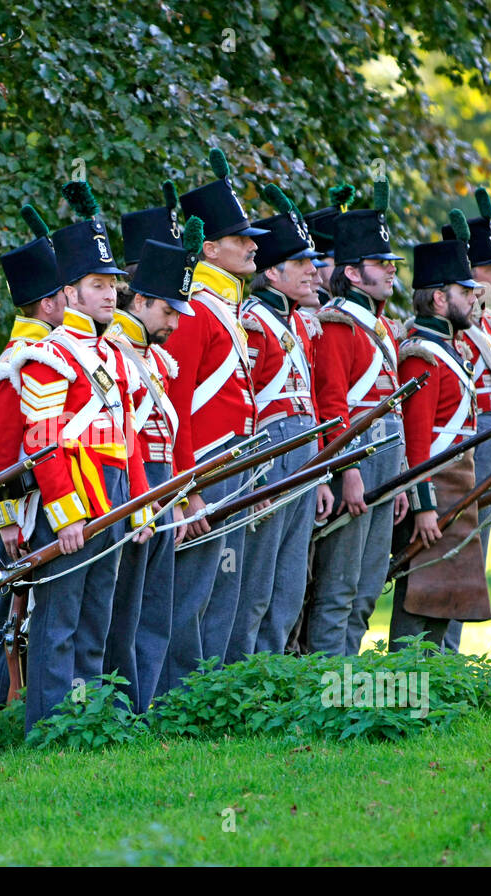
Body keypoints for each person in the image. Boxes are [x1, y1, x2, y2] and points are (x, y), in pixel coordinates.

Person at [9, 179, 153, 731]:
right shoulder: (46, 354)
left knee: (96, 618)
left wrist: (140, 506)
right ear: (68, 293)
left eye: (113, 283)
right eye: (97, 284)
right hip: (70, 496)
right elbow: (42, 442)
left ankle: (86, 719)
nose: (110, 294)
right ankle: (49, 726)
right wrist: (65, 514)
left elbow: (127, 440)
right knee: (60, 622)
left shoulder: (115, 355)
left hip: (113, 492)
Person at [158, 148, 266, 690]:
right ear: (208, 248)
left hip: (234, 463)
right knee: (194, 594)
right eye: (241, 238)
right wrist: (187, 490)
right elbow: (174, 408)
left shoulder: (226, 309)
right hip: (204, 468)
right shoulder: (195, 309)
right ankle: (183, 698)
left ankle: (216, 693)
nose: (252, 246)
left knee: (228, 590)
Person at [226, 185, 335, 662]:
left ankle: (274, 674)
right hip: (271, 453)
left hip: (303, 454)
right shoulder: (252, 322)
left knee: (291, 580)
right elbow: (245, 408)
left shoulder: (298, 324)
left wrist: (322, 472)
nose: (314, 270)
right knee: (258, 581)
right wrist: (257, 475)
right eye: (302, 262)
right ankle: (248, 677)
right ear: (273, 272)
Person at [101, 216, 202, 711]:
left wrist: (177, 496)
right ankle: (119, 709)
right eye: (168, 310)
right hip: (132, 483)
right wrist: (147, 498)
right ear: (138, 301)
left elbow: (173, 432)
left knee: (155, 606)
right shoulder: (113, 351)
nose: (176, 323)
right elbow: (125, 436)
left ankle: (148, 706)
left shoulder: (157, 359)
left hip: (160, 486)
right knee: (124, 608)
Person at [306, 179, 410, 657]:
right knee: (339, 588)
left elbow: (396, 409)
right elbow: (332, 407)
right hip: (358, 458)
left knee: (367, 587)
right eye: (381, 264)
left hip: (388, 458)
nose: (391, 272)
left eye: (391, 264)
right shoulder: (336, 324)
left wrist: (404, 475)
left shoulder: (382, 325)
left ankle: (351, 682)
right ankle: (329, 684)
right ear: (351, 271)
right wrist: (346, 470)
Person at [0, 205, 67, 717]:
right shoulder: (19, 360)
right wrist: (7, 520)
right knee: (3, 618)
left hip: (32, 505)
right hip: (15, 511)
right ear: (48, 303)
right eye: (65, 294)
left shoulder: (44, 350)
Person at [389, 212, 491, 649]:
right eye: (464, 291)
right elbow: (416, 442)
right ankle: (403, 703)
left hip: (459, 487)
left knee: (448, 607)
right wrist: (423, 506)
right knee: (420, 609)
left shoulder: (449, 349)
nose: (474, 298)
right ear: (437, 298)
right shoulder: (421, 354)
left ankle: (439, 701)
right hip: (436, 496)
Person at [440, 186, 491, 651]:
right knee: (458, 545)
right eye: (490, 268)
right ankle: (440, 653)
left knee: (478, 547)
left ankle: (452, 652)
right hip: (465, 438)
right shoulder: (458, 324)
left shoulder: (488, 322)